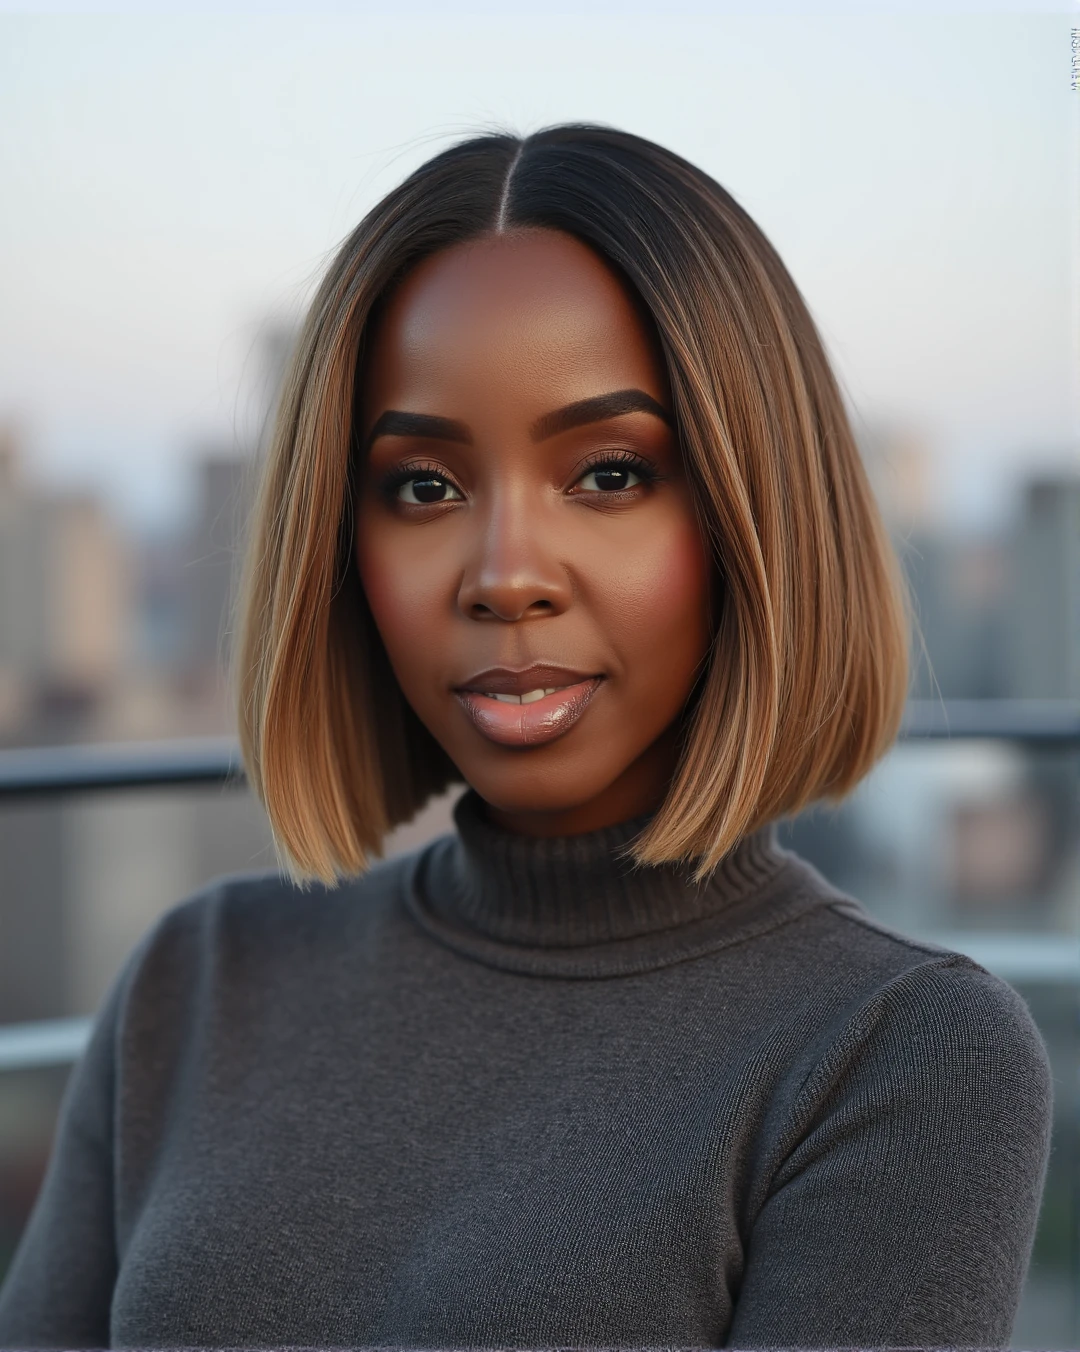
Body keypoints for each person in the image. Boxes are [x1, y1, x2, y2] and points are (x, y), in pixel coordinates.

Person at [0, 124, 1053, 1350]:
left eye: (609, 472)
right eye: (424, 487)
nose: (503, 576)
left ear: (756, 512)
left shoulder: (900, 1052)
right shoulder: (200, 979)